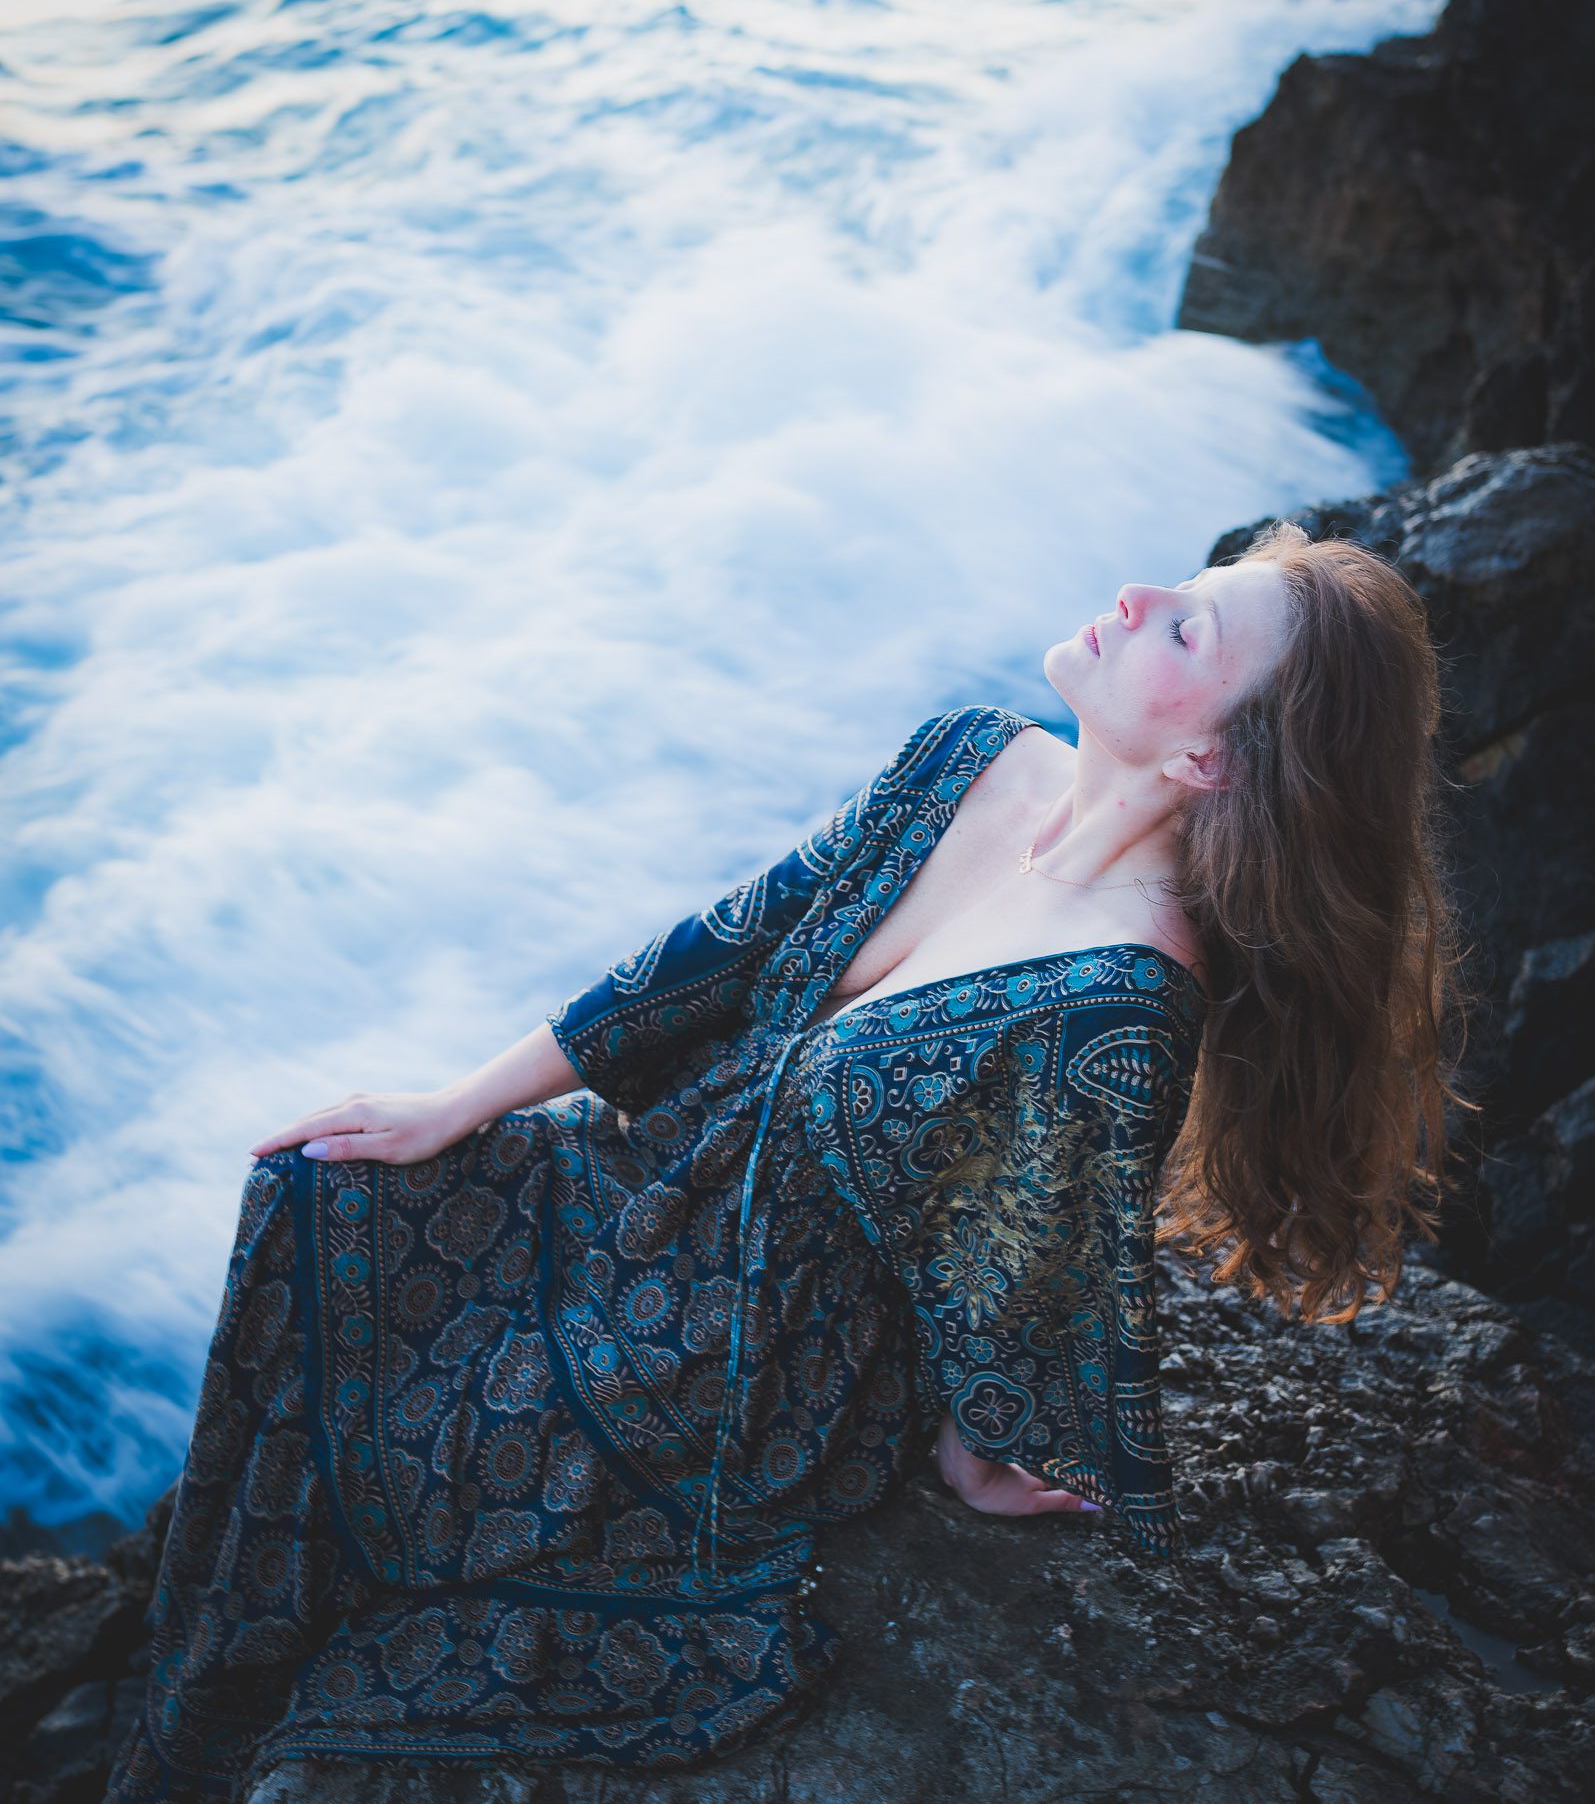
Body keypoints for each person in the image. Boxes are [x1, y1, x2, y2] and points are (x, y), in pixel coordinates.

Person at [105, 518, 1465, 1801]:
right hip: (643, 1181)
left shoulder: (1115, 1005)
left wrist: (985, 1459)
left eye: (1186, 637)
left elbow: (1027, 1267)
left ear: (1209, 763)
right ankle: (196, 1700)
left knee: (435, 1439)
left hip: (740, 1362)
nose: (1139, 600)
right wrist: (455, 1105)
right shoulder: (972, 758)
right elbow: (721, 948)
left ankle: (234, 1706)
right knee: (318, 1190)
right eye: (1184, 585)